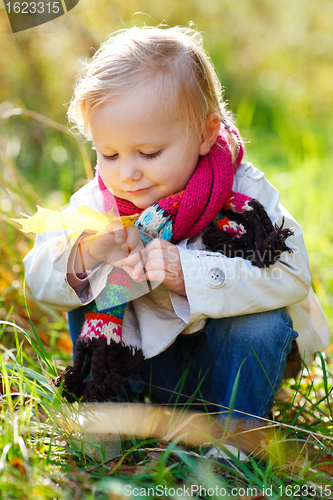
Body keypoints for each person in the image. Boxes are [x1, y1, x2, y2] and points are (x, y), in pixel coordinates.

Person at [24, 26, 328, 425]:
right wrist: (88, 252)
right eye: (109, 153)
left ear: (205, 133)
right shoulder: (98, 203)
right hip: (141, 372)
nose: (127, 173)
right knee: (88, 285)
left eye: (149, 153)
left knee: (261, 323)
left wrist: (190, 274)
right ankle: (110, 422)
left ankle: (236, 439)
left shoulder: (243, 194)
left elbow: (292, 274)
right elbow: (38, 280)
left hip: (226, 376)